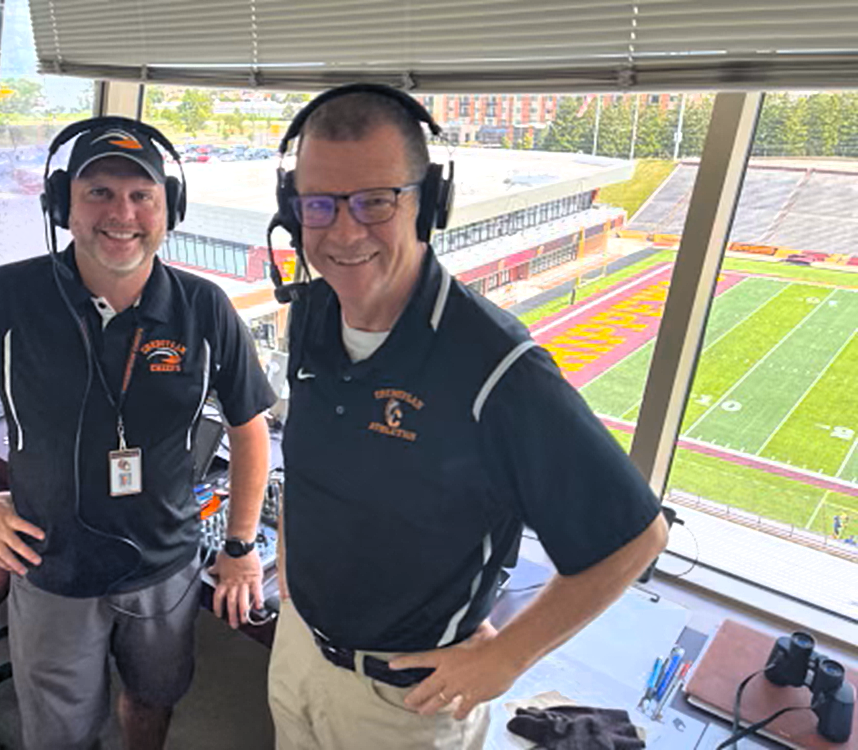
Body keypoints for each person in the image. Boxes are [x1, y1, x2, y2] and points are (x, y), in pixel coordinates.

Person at [267, 85, 670, 750]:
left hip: (400, 703)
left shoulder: (498, 367)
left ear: (429, 203)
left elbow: (635, 538)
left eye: (375, 202)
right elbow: (314, 469)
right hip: (299, 649)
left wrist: (506, 656)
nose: (343, 231)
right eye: (319, 205)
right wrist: (294, 579)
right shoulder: (312, 312)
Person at [0, 118, 275, 750]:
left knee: (154, 700)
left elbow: (249, 425)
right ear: (62, 205)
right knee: (59, 733)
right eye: (99, 192)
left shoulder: (205, 307)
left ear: (167, 209)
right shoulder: (3, 298)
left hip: (164, 564)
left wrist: (239, 546)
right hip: (51, 566)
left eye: (141, 194)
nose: (121, 213)